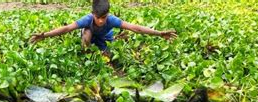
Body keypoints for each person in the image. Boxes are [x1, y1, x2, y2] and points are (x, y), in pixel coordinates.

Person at [30, 0, 177, 54]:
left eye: (103, 18)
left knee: (108, 56)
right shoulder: (87, 19)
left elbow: (134, 27)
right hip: (90, 36)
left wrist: (159, 33)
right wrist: (45, 35)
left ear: (107, 14)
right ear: (93, 13)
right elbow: (67, 28)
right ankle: (86, 53)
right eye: (98, 18)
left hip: (104, 38)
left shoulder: (111, 19)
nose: (101, 21)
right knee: (87, 34)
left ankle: (111, 42)